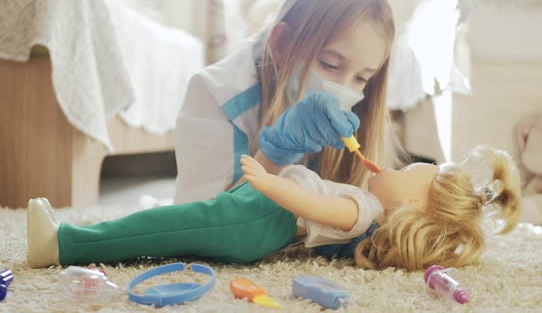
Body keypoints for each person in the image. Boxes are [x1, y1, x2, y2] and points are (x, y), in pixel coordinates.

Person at [27, 146, 521, 271]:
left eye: (415, 169)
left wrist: (266, 182)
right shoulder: (366, 205)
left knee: (162, 227)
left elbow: (307, 204)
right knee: (171, 226)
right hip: (259, 214)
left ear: (412, 202)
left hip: (263, 217)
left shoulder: (363, 212)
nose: (402, 165)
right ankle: (68, 236)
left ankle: (61, 243)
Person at [174, 0, 396, 203]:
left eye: (362, 78)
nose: (344, 91)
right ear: (281, 44)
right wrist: (275, 155)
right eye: (330, 65)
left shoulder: (363, 107)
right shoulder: (215, 93)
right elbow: (202, 225)